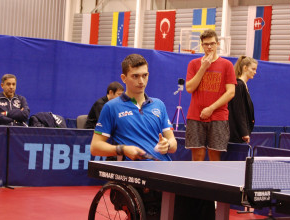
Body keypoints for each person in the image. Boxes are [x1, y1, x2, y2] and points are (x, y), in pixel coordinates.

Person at [90, 53, 177, 219]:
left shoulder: (159, 105)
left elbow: (173, 144)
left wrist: (168, 144)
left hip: (164, 171)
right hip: (136, 175)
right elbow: (95, 146)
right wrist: (123, 149)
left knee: (200, 201)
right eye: (135, 76)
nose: (141, 81)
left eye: (144, 76)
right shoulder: (111, 107)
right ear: (124, 77)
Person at [185, 29, 236, 161]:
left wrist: (211, 108)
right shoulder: (193, 64)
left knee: (215, 156)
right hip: (195, 116)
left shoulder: (227, 65)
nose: (209, 47)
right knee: (198, 156)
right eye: (206, 44)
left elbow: (231, 92)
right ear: (201, 45)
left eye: (212, 43)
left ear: (217, 44)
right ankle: (195, 182)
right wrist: (203, 68)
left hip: (218, 116)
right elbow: (189, 88)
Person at [228, 56, 258, 143]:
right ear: (245, 68)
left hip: (240, 133)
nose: (255, 72)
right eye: (253, 69)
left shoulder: (244, 85)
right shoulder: (239, 85)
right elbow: (239, 111)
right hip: (236, 134)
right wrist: (244, 132)